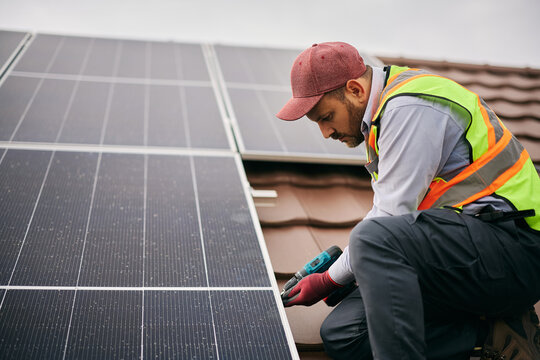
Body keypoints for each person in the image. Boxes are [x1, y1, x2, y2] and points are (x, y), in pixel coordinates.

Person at [276, 42, 540, 360]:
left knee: (372, 240)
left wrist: (329, 278)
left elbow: (387, 219)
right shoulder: (381, 117)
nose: (325, 132)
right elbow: (392, 223)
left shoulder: (410, 107)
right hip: (464, 257)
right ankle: (495, 333)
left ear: (355, 90)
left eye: (327, 117)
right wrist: (350, 271)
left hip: (516, 251)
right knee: (345, 333)